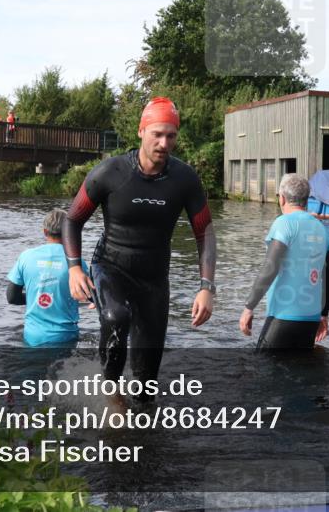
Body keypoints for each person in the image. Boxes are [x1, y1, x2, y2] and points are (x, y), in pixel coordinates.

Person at [65, 97, 216, 395]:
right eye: (156, 134)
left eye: (170, 136)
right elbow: (72, 220)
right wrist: (74, 268)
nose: (163, 143)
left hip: (154, 278)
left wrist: (206, 287)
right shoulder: (110, 172)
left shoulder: (184, 179)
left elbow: (205, 233)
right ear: (141, 131)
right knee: (115, 317)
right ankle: (112, 397)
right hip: (111, 267)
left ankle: (144, 430)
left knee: (147, 384)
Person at [239, 173, 329, 349]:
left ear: (282, 198)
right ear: (306, 200)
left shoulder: (284, 223)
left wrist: (249, 307)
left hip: (283, 316)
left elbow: (270, 267)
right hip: (312, 318)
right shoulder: (323, 229)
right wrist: (323, 314)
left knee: (265, 369)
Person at [6, 210, 82, 347]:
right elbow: (91, 295)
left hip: (33, 337)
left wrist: (35, 297)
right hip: (65, 336)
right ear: (68, 232)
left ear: (45, 232)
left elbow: (12, 297)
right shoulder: (76, 262)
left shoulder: (26, 256)